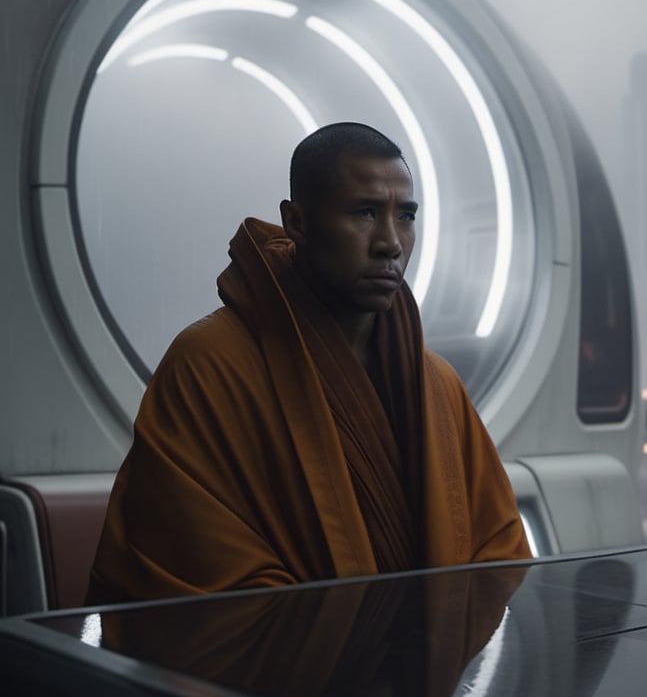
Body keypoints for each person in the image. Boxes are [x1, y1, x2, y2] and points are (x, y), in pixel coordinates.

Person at [87, 122, 531, 604]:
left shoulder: (438, 385)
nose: (391, 243)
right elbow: (197, 581)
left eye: (405, 216)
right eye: (364, 212)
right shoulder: (206, 368)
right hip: (276, 676)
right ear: (297, 222)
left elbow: (499, 554)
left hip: (430, 671)